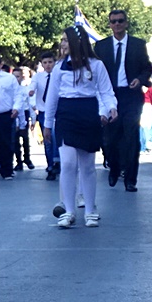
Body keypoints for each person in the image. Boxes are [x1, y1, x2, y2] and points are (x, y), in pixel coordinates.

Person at [45, 26, 118, 229]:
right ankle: (69, 210)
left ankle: (90, 209)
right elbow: (52, 97)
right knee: (67, 164)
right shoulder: (60, 67)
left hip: (87, 112)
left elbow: (106, 91)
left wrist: (111, 108)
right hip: (66, 113)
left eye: (66, 40)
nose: (63, 44)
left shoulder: (96, 65)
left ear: (77, 42)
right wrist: (47, 124)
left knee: (87, 165)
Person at [94, 9, 152, 192]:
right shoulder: (101, 47)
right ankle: (114, 167)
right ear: (110, 24)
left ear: (126, 23)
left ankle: (130, 179)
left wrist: (140, 80)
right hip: (110, 95)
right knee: (111, 137)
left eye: (120, 21)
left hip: (131, 96)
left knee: (131, 136)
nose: (117, 25)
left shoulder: (137, 45)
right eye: (113, 22)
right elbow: (95, 71)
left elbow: (147, 68)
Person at [32, 51, 60, 181]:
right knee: (48, 139)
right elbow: (32, 87)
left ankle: (58, 162)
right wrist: (31, 92)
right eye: (45, 63)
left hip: (58, 112)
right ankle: (50, 165)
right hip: (44, 111)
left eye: (50, 62)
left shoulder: (59, 75)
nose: (48, 65)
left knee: (57, 137)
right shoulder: (38, 77)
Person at [12, 66, 35, 171]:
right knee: (15, 140)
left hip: (24, 114)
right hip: (13, 114)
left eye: (18, 76)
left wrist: (32, 119)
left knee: (25, 138)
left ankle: (27, 159)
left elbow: (30, 105)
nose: (16, 79)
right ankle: (18, 161)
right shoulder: (10, 90)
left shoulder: (26, 89)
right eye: (14, 76)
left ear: (22, 77)